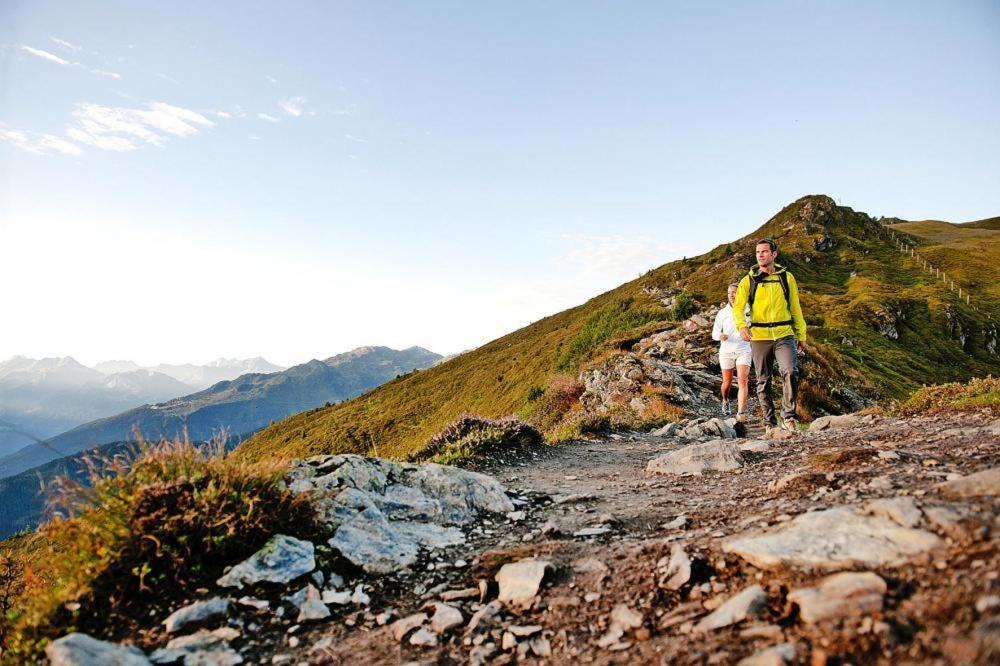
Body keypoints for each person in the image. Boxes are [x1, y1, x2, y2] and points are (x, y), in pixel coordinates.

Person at [732, 238, 807, 434]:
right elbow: (738, 308)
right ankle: (769, 422)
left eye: (765, 252)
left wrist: (802, 334)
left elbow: (795, 307)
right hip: (760, 336)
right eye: (758, 252)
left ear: (774, 254)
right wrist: (741, 327)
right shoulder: (748, 280)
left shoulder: (786, 278)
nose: (760, 255)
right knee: (763, 380)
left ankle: (789, 417)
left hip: (784, 334)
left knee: (790, 371)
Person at [712, 283, 752, 420]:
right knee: (727, 383)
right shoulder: (722, 313)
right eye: (729, 293)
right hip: (727, 351)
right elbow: (714, 332)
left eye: (734, 292)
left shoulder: (748, 310)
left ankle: (741, 412)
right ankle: (725, 400)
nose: (732, 295)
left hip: (744, 349)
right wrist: (720, 336)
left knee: (743, 380)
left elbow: (755, 327)